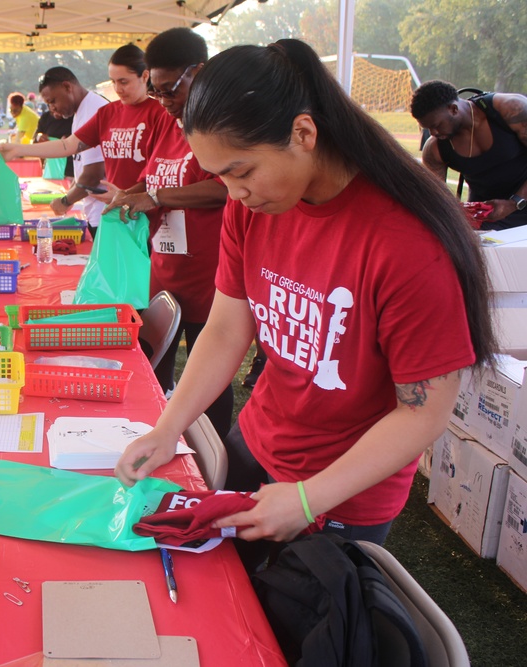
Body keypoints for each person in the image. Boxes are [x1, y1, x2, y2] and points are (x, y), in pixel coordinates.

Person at [115, 40, 495, 564]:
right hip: (259, 439)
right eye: (221, 174)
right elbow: (227, 328)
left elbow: (423, 411)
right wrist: (167, 428)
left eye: (243, 171)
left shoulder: (407, 244)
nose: (234, 191)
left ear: (303, 133)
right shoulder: (252, 208)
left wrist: (307, 498)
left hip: (342, 492)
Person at [104, 28, 232, 435]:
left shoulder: (220, 128)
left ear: (200, 72)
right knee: (154, 369)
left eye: (170, 89)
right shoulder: (169, 123)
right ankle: (155, 438)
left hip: (207, 279)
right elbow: (150, 177)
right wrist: (129, 194)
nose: (164, 101)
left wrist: (156, 197)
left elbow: (222, 188)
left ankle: (211, 466)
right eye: (157, 92)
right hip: (165, 273)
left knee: (208, 378)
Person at [0, 45, 172, 237]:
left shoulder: (160, 114)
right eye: (113, 82)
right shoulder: (108, 113)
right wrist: (17, 149)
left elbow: (161, 172)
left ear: (145, 76)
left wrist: (127, 194)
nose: (118, 89)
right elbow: (69, 145)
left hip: (150, 219)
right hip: (116, 215)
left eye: (124, 82)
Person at [410, 80, 527, 230]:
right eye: (427, 129)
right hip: (487, 218)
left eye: (436, 125)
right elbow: (437, 200)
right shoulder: (435, 149)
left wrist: (514, 203)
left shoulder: (511, 109)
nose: (433, 133)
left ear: (453, 109)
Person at [6, 66, 107, 232]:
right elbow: (68, 149)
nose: (52, 108)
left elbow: (93, 175)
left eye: (53, 101)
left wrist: (66, 201)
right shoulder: (81, 111)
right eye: (47, 104)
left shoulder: (92, 111)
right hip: (96, 212)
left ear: (67, 87)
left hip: (104, 214)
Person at [34, 107, 75, 179]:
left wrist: (68, 139)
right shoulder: (45, 118)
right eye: (51, 104)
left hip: (71, 167)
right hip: (52, 167)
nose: (54, 108)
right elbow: (36, 136)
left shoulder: (74, 117)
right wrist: (39, 137)